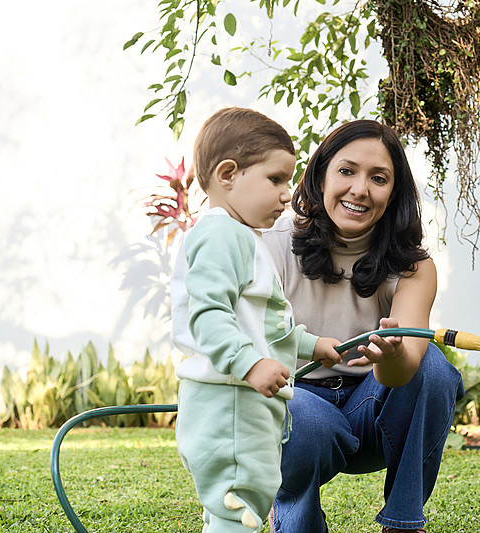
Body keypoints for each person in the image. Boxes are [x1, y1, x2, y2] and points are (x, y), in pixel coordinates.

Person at [262, 120, 465, 533]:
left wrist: (389, 357)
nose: (360, 189)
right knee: (301, 413)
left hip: (371, 409)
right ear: (320, 176)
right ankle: (296, 521)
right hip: (297, 410)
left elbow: (407, 371)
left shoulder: (413, 266)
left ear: (393, 194)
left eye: (379, 178)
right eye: (346, 171)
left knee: (435, 369)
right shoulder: (270, 241)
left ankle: (404, 523)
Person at [170, 107, 343, 533]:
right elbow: (206, 314)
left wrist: (311, 344)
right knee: (239, 501)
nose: (288, 194)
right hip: (230, 401)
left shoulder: (242, 236)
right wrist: (249, 364)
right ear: (228, 174)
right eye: (276, 179)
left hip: (242, 399)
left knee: (239, 501)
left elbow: (261, 320)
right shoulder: (221, 235)